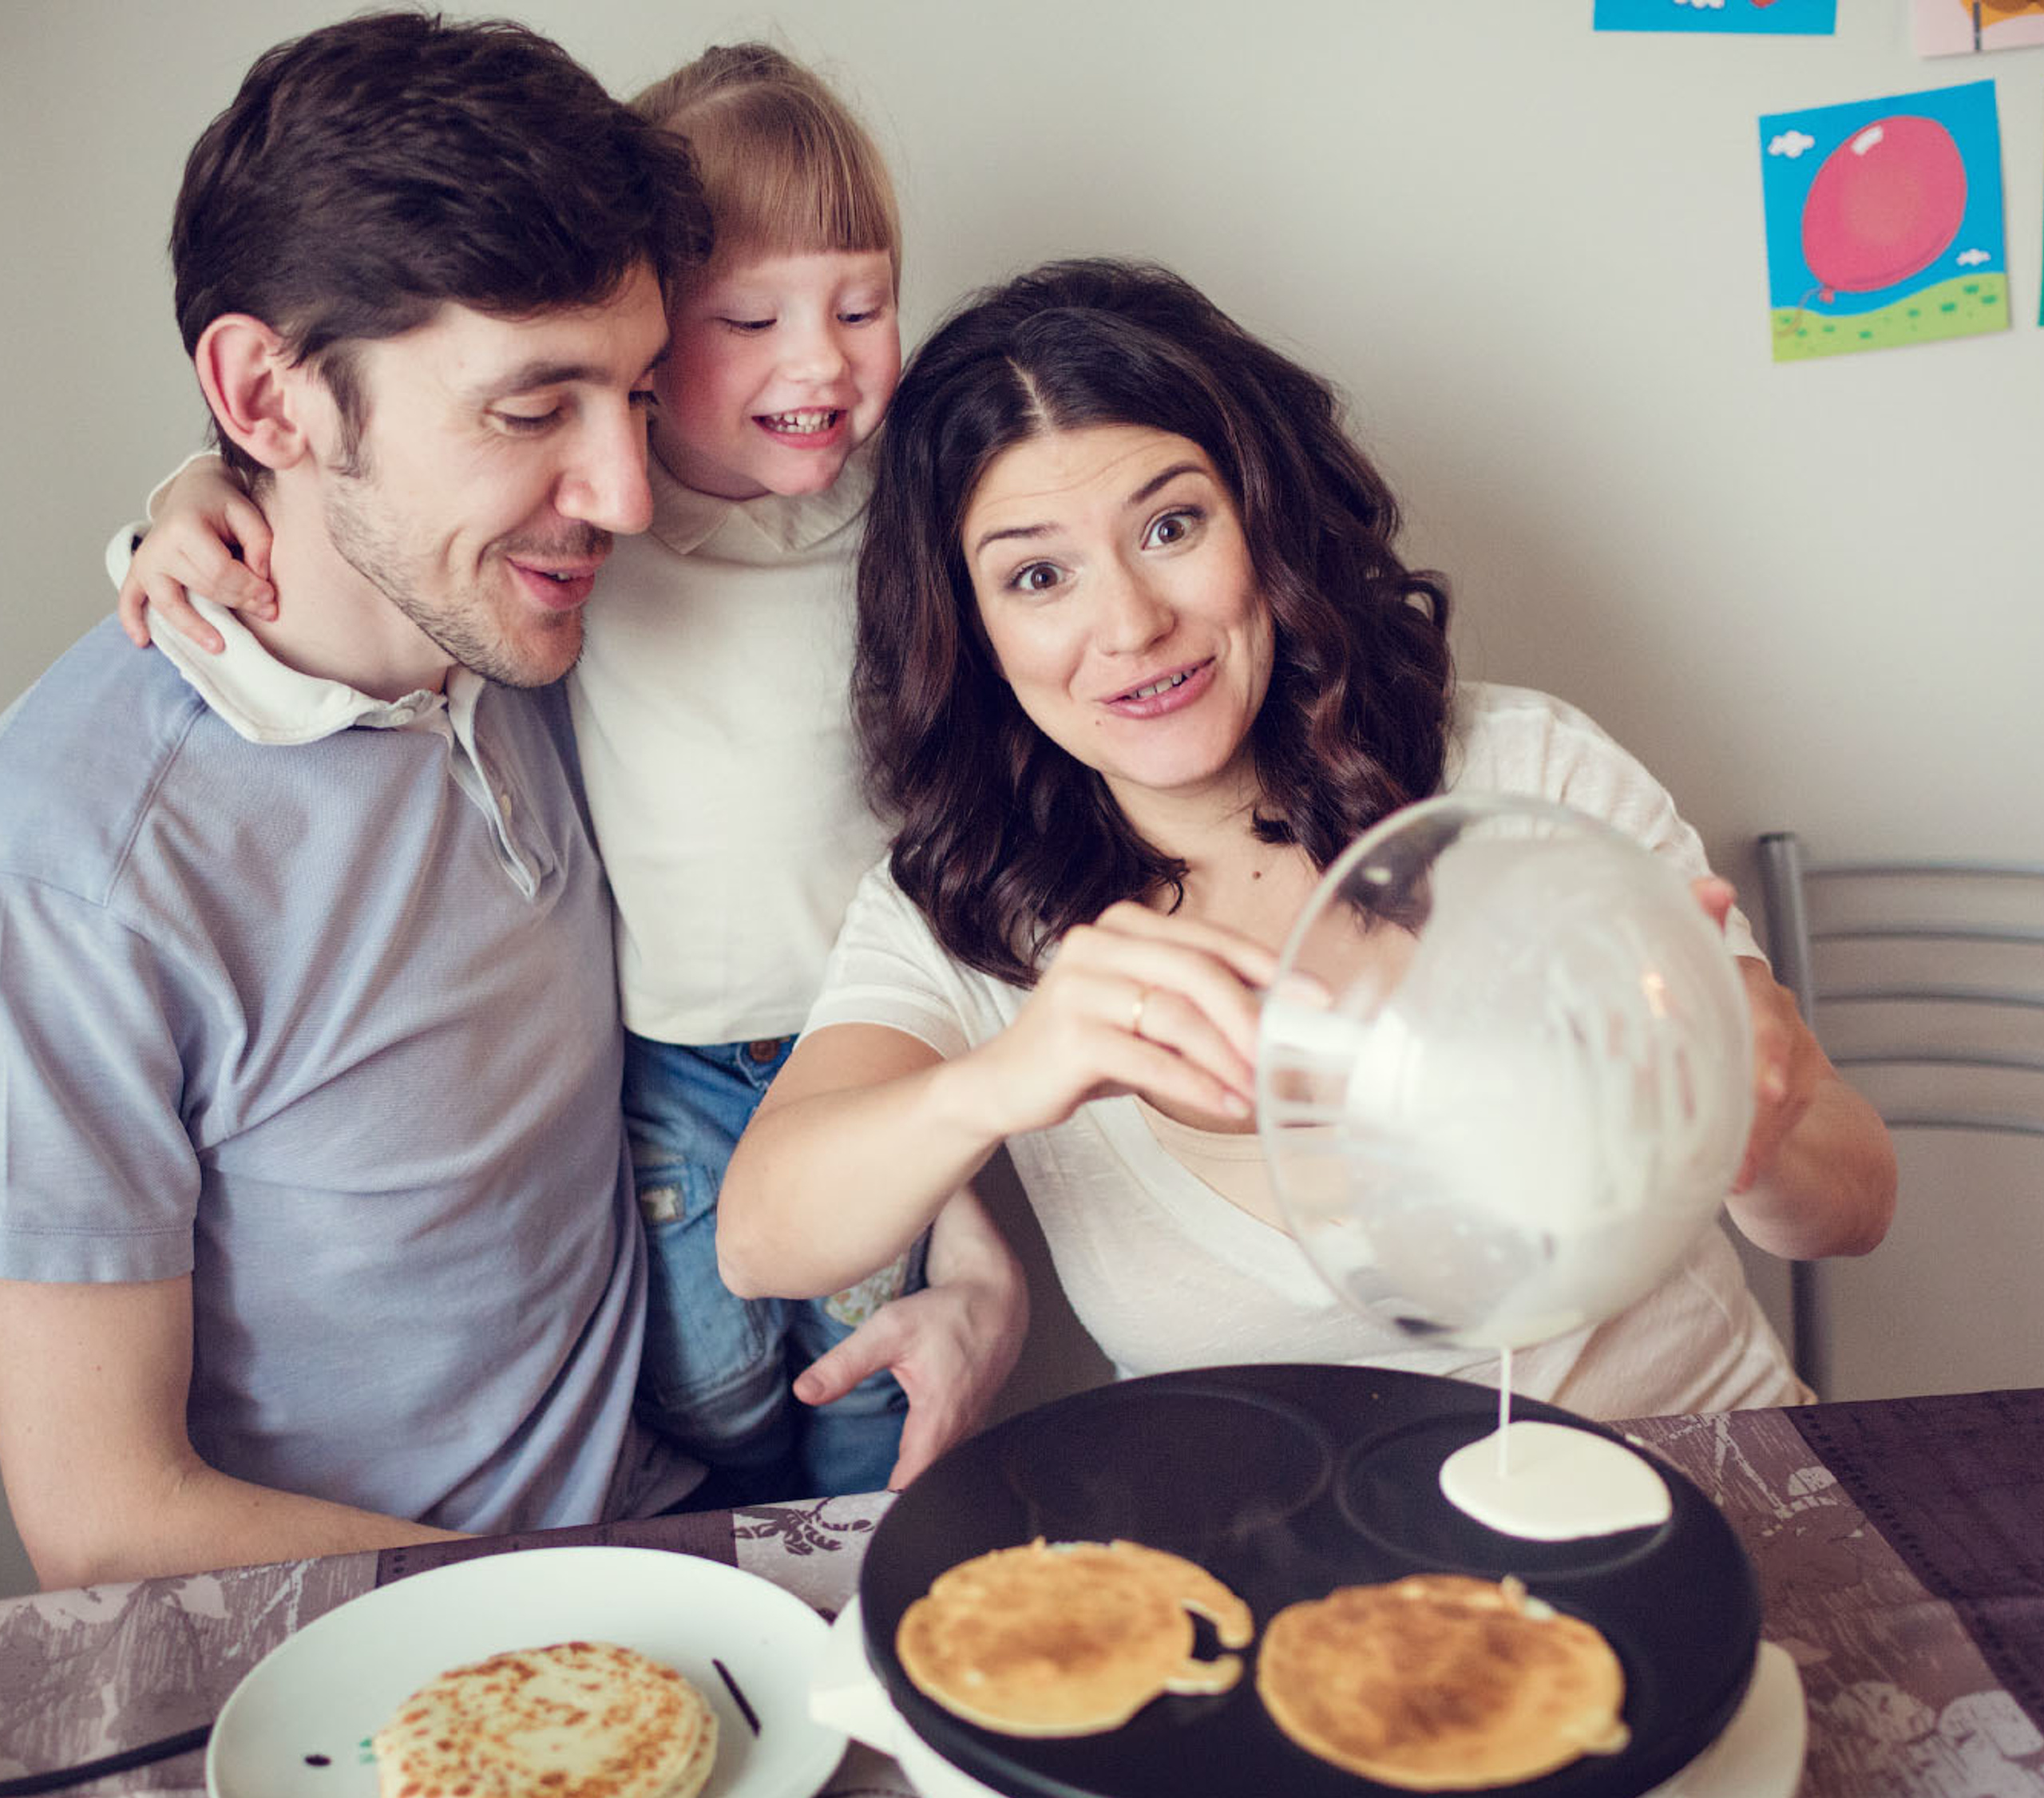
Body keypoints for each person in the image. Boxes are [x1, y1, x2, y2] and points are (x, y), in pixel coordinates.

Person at [716, 258, 1897, 1437]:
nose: (1131, 625)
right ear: (969, 629)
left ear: (1263, 519)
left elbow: (1855, 1207)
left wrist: (1750, 1124)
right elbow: (760, 1240)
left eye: (1171, 525)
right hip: (1286, 1549)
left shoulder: (1528, 774)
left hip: (1706, 1483)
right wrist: (1005, 1078)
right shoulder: (961, 910)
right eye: (1038, 576)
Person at [113, 45, 1028, 1507]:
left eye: (863, 308)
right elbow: (338, 496)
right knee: (717, 1375)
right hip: (677, 1066)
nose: (616, 493)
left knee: (871, 1394)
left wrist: (969, 1193)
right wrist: (188, 495)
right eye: (752, 321)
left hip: (870, 1044)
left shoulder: (880, 519)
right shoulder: (575, 556)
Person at [0, 14, 711, 1590]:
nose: (625, 496)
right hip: (398, 1640)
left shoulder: (535, 633)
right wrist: (594, 1612)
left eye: (637, 395)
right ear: (268, 397)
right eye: (531, 410)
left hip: (688, 1508)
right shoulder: (73, 864)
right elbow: (104, 1517)